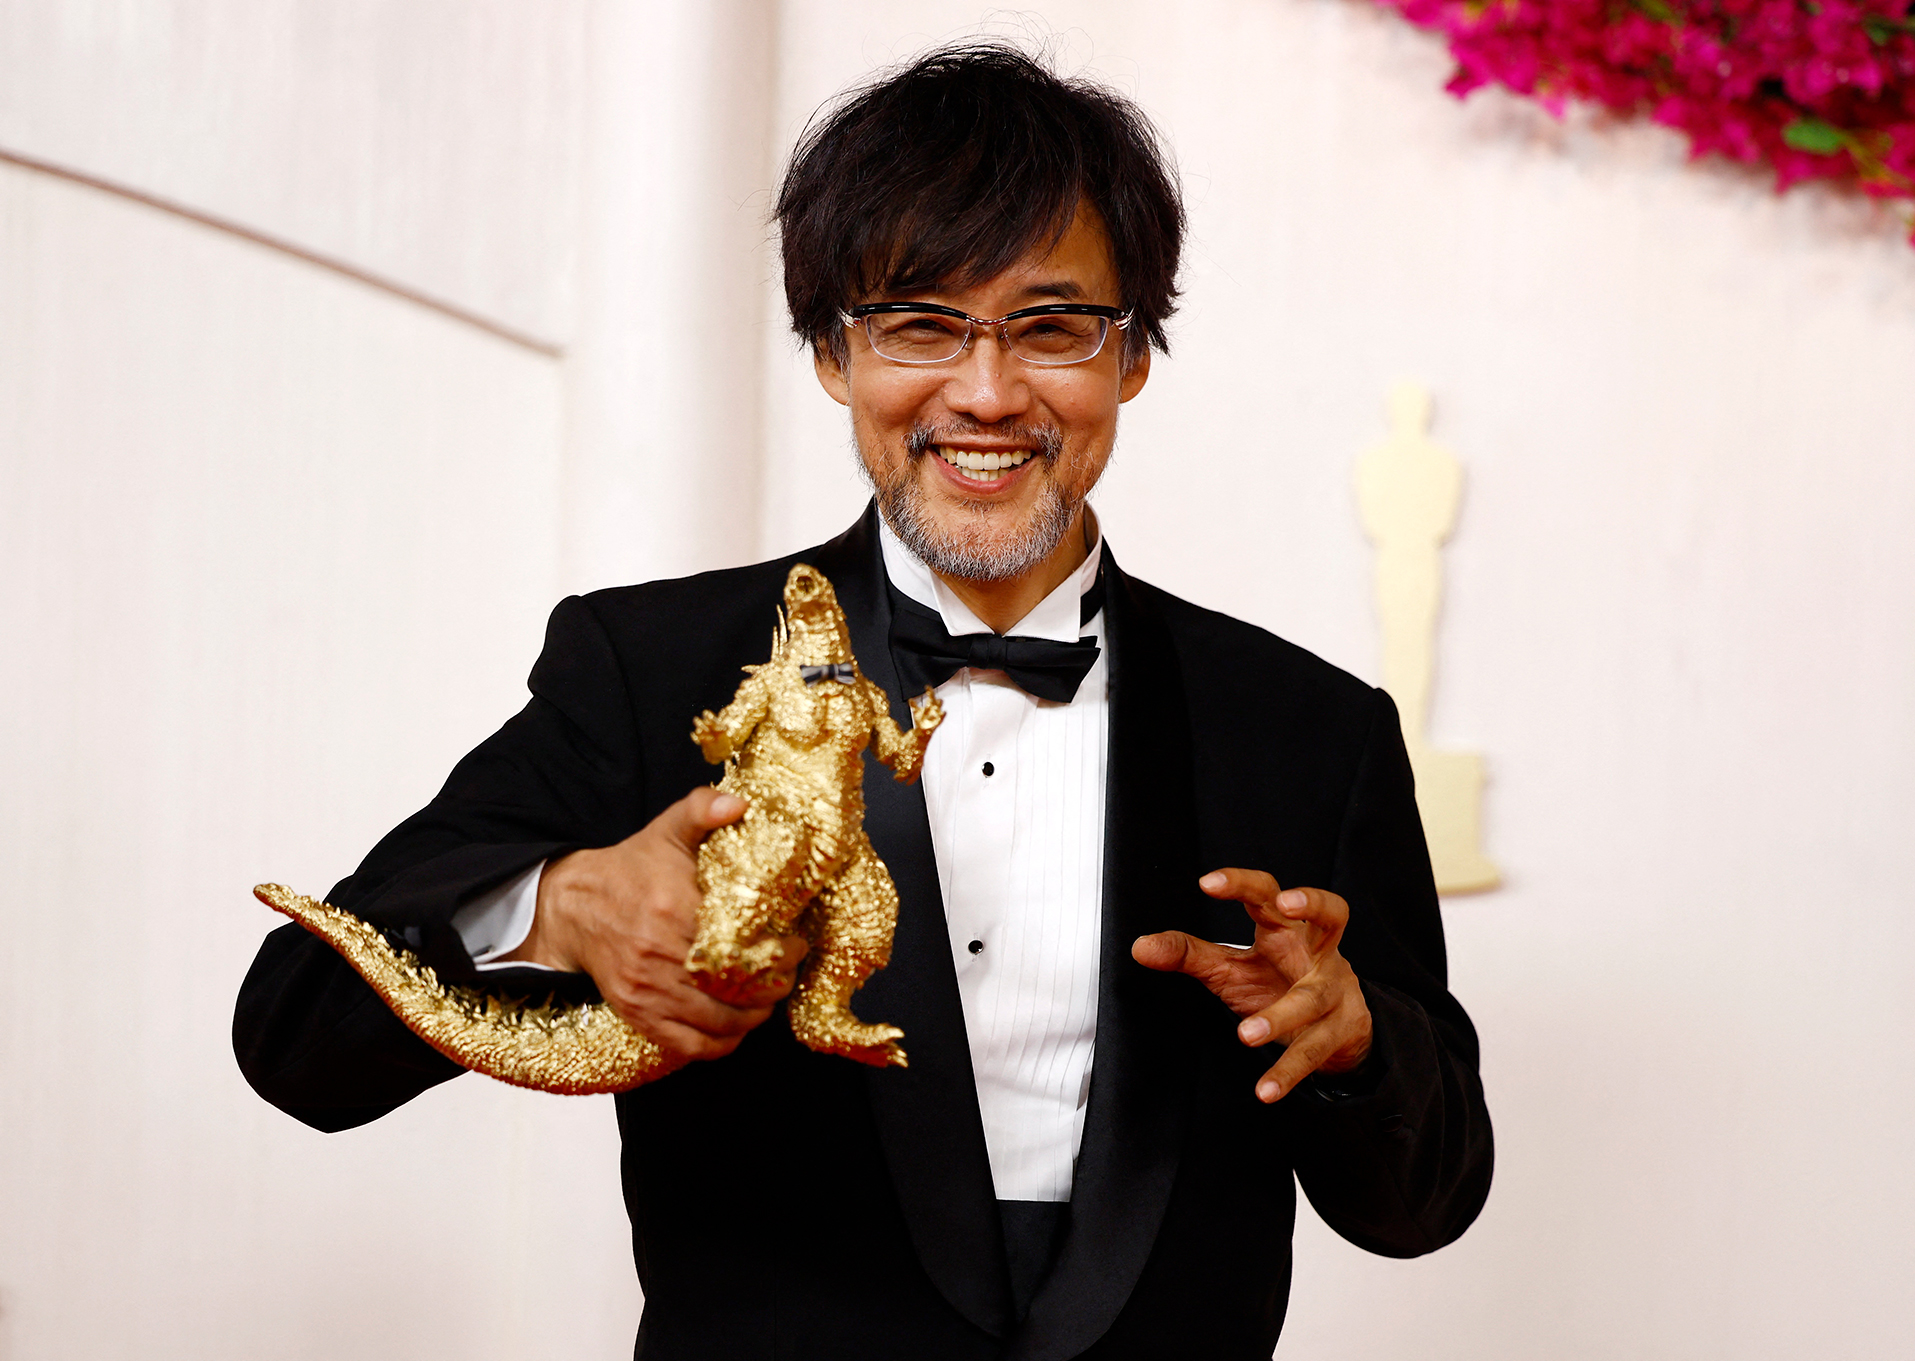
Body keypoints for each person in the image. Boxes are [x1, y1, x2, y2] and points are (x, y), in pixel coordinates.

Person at [234, 43, 1493, 1361]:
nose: (989, 392)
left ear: (1132, 358)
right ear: (837, 352)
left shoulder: (1308, 728)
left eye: (1053, 326)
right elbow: (295, 1037)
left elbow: (1427, 1200)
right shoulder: (654, 663)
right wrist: (550, 905)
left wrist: (1355, 1045)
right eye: (921, 324)